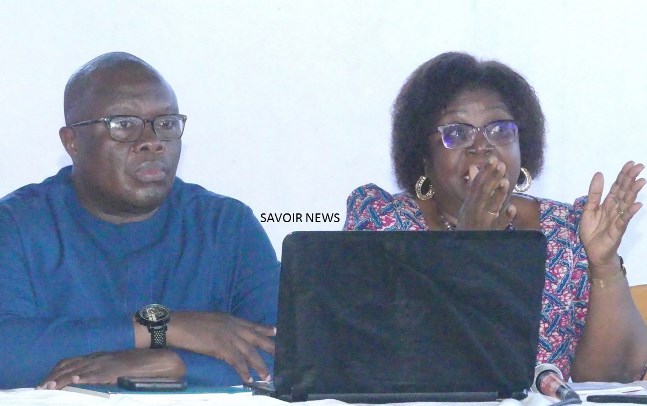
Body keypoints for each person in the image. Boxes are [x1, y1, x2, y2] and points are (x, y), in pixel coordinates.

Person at [344, 52, 647, 382]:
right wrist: (470, 250)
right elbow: (379, 363)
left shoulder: (565, 231)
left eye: (500, 130)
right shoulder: (385, 225)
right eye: (457, 133)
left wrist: (604, 265)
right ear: (424, 156)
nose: (481, 146)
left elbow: (612, 377)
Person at [0, 52, 280, 389]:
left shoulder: (227, 227)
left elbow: (286, 354)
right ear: (72, 141)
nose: (152, 142)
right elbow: (7, 353)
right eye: (124, 125)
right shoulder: (17, 224)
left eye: (167, 124)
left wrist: (171, 364)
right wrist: (160, 327)